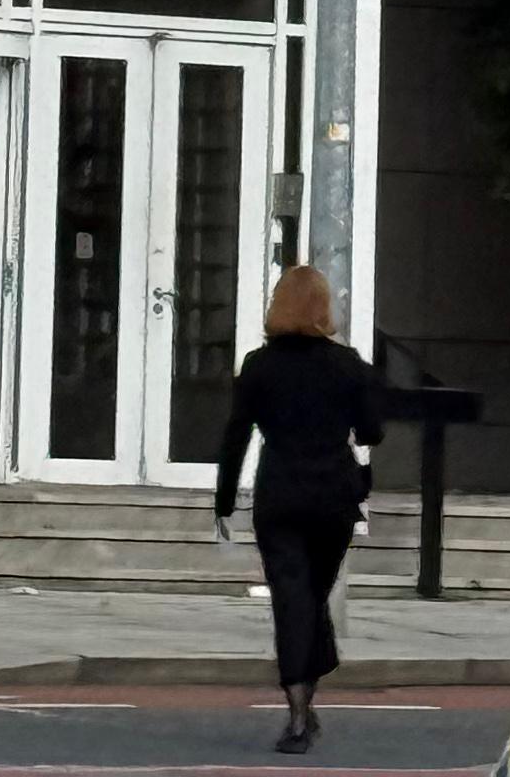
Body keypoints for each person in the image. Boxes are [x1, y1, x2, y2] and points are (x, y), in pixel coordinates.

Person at [214, 260, 382, 753]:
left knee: (293, 600)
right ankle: (305, 704)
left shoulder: (259, 365)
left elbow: (236, 435)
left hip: (281, 496)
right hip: (333, 497)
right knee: (310, 598)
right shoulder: (348, 365)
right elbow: (371, 431)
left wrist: (224, 500)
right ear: (324, 310)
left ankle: (297, 716)